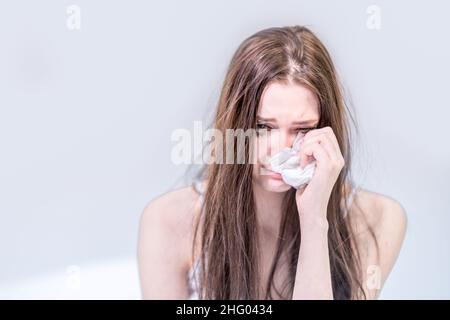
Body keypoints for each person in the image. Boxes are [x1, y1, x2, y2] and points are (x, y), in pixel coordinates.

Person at [138, 25, 407, 300]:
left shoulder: (376, 219)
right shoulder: (169, 221)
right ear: (234, 127)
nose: (280, 150)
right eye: (262, 127)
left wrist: (315, 220)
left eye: (302, 129)